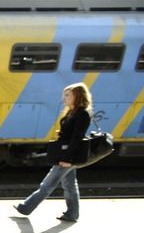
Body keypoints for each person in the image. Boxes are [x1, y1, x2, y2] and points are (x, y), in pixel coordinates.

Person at [15, 82, 93, 222]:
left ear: (78, 96)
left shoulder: (82, 114)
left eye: (68, 95)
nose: (64, 98)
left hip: (69, 155)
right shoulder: (73, 112)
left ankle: (26, 207)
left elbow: (77, 138)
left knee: (48, 184)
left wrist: (67, 158)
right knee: (69, 186)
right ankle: (72, 214)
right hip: (68, 154)